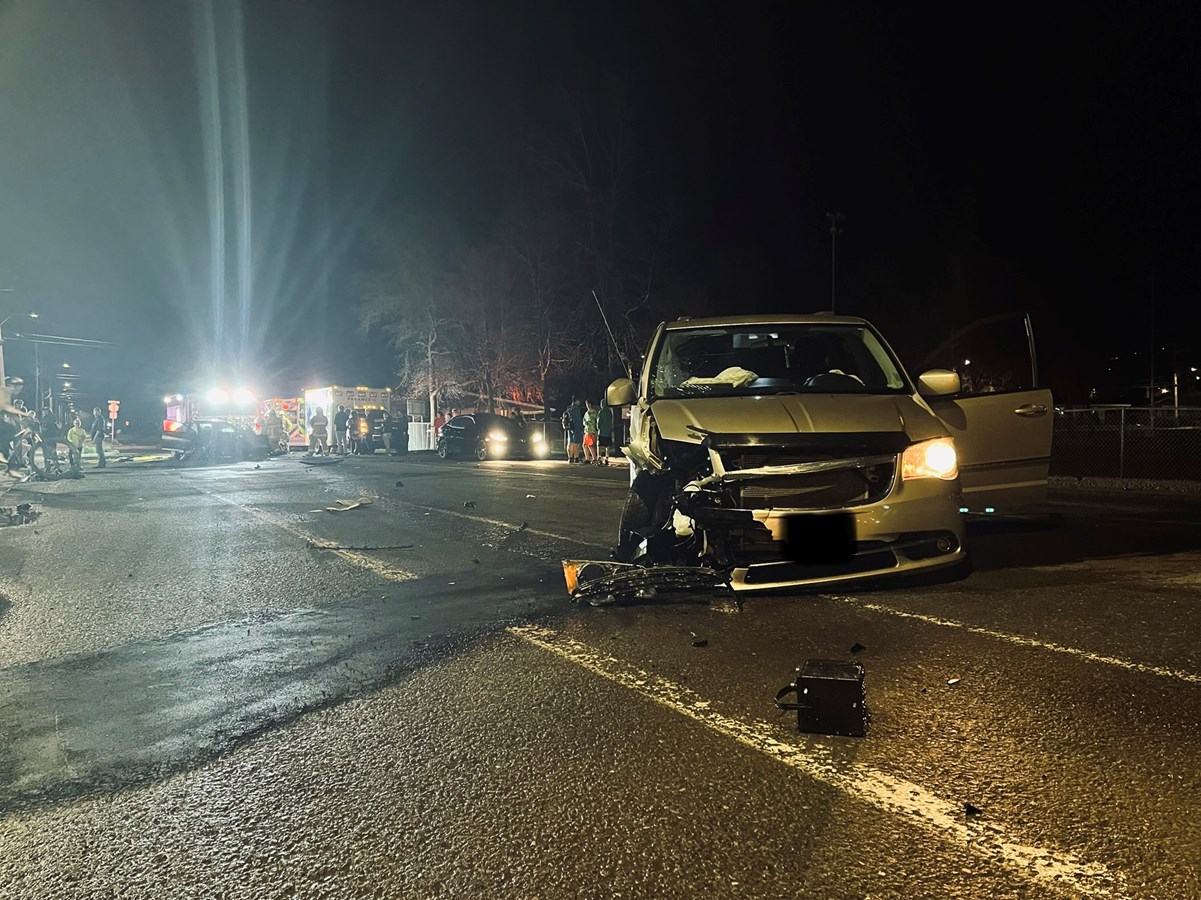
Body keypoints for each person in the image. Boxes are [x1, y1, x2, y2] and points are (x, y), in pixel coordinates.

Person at [564, 397, 584, 463]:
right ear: (577, 401)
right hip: (576, 427)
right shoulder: (576, 409)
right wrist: (581, 428)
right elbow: (578, 420)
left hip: (569, 427)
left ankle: (570, 457)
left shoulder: (569, 408)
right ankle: (576, 457)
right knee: (576, 442)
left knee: (570, 442)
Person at [582, 399, 600, 464]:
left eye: (588, 404)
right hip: (587, 430)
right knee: (585, 445)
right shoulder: (586, 412)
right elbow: (583, 420)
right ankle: (588, 458)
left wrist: (588, 423)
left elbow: (594, 421)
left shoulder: (593, 412)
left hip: (591, 430)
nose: (587, 405)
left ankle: (594, 458)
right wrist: (585, 423)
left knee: (590, 445)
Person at [597, 397, 614, 463]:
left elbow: (598, 422)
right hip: (608, 432)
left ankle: (600, 457)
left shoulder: (601, 412)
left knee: (600, 445)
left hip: (602, 432)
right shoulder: (609, 412)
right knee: (608, 445)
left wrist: (598, 428)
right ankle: (607, 457)